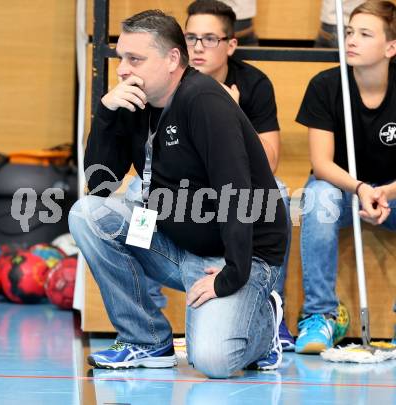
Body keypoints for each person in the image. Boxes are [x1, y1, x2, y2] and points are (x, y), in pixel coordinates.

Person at [69, 9, 288, 377]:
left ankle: (264, 324)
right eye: (121, 57)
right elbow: (102, 186)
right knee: (88, 214)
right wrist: (105, 115)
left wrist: (231, 275)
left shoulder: (204, 101)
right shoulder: (134, 100)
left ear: (172, 59)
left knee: (214, 362)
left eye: (135, 59)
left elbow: (238, 191)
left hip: (237, 257)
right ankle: (145, 339)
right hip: (174, 245)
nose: (122, 69)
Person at [185, 0, 295, 351]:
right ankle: (147, 330)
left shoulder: (253, 84)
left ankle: (270, 306)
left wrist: (231, 114)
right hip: (188, 192)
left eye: (209, 39)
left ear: (231, 44)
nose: (197, 47)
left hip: (238, 190)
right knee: (135, 198)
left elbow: (271, 163)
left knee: (276, 192)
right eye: (190, 38)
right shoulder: (174, 82)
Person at [296, 0, 396, 354]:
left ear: (391, 47)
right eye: (350, 32)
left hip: (391, 194)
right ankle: (320, 315)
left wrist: (386, 190)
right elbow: (321, 163)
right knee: (318, 196)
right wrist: (360, 188)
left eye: (365, 34)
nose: (351, 40)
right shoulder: (326, 85)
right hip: (343, 189)